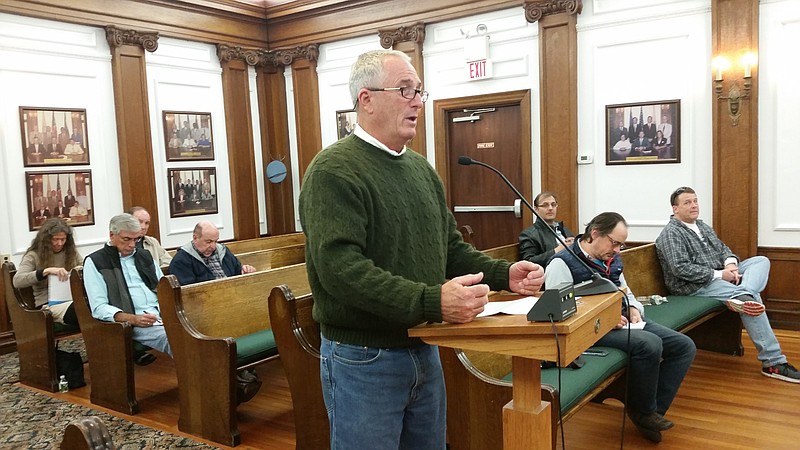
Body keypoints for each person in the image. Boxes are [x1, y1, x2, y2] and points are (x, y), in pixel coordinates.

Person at [298, 49, 545, 450]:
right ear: (367, 99)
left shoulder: (420, 169)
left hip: (422, 346)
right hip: (364, 357)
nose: (416, 101)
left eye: (419, 91)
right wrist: (432, 300)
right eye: (405, 89)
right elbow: (341, 270)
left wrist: (505, 274)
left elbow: (449, 248)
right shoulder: (333, 170)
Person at [545, 212, 696, 443]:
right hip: (588, 331)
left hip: (623, 320)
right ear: (595, 233)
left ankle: (648, 411)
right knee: (650, 344)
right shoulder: (561, 263)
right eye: (614, 243)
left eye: (620, 244)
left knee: (684, 346)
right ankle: (644, 412)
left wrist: (634, 308)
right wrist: (605, 318)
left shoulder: (611, 257)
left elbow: (625, 291)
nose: (617, 249)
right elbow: (560, 315)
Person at [655, 187, 800, 383]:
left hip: (720, 275)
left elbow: (723, 249)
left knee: (760, 261)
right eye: (687, 202)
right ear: (675, 209)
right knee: (753, 301)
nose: (694, 205)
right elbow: (680, 269)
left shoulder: (702, 226)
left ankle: (743, 293)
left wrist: (730, 264)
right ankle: (773, 363)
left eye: (695, 201)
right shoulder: (671, 233)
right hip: (694, 286)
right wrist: (720, 275)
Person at [83, 214, 171, 357]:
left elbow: (164, 290)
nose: (132, 245)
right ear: (112, 235)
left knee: (204, 331)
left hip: (163, 315)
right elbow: (99, 308)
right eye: (126, 239)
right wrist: (132, 318)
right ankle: (196, 378)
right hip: (132, 323)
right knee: (175, 339)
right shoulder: (96, 262)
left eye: (136, 239)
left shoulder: (144, 255)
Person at [13, 218, 83, 326]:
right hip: (49, 304)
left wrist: (79, 270)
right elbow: (17, 281)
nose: (59, 243)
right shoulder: (33, 255)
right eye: (55, 239)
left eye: (63, 239)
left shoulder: (70, 252)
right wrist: (45, 272)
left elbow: (83, 265)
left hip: (72, 297)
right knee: (81, 310)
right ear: (46, 239)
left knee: (93, 306)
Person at [169, 221, 256, 285]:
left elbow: (238, 272)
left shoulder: (223, 251)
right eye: (208, 242)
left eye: (216, 241)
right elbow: (188, 294)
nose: (213, 246)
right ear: (195, 238)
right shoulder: (181, 260)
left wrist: (245, 271)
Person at [518, 191, 574, 266]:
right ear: (536, 209)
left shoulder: (563, 229)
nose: (550, 208)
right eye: (545, 205)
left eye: (553, 205)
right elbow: (528, 261)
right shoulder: (529, 234)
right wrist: (556, 251)